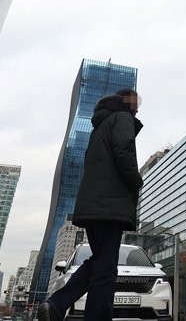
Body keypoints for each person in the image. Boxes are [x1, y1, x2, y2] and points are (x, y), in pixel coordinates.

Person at [39, 89, 143, 321]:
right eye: (136, 103)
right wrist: (137, 182)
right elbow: (124, 152)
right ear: (128, 103)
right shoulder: (122, 118)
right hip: (110, 206)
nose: (138, 108)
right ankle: (63, 305)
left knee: (101, 263)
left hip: (94, 205)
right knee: (106, 269)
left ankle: (57, 304)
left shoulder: (100, 126)